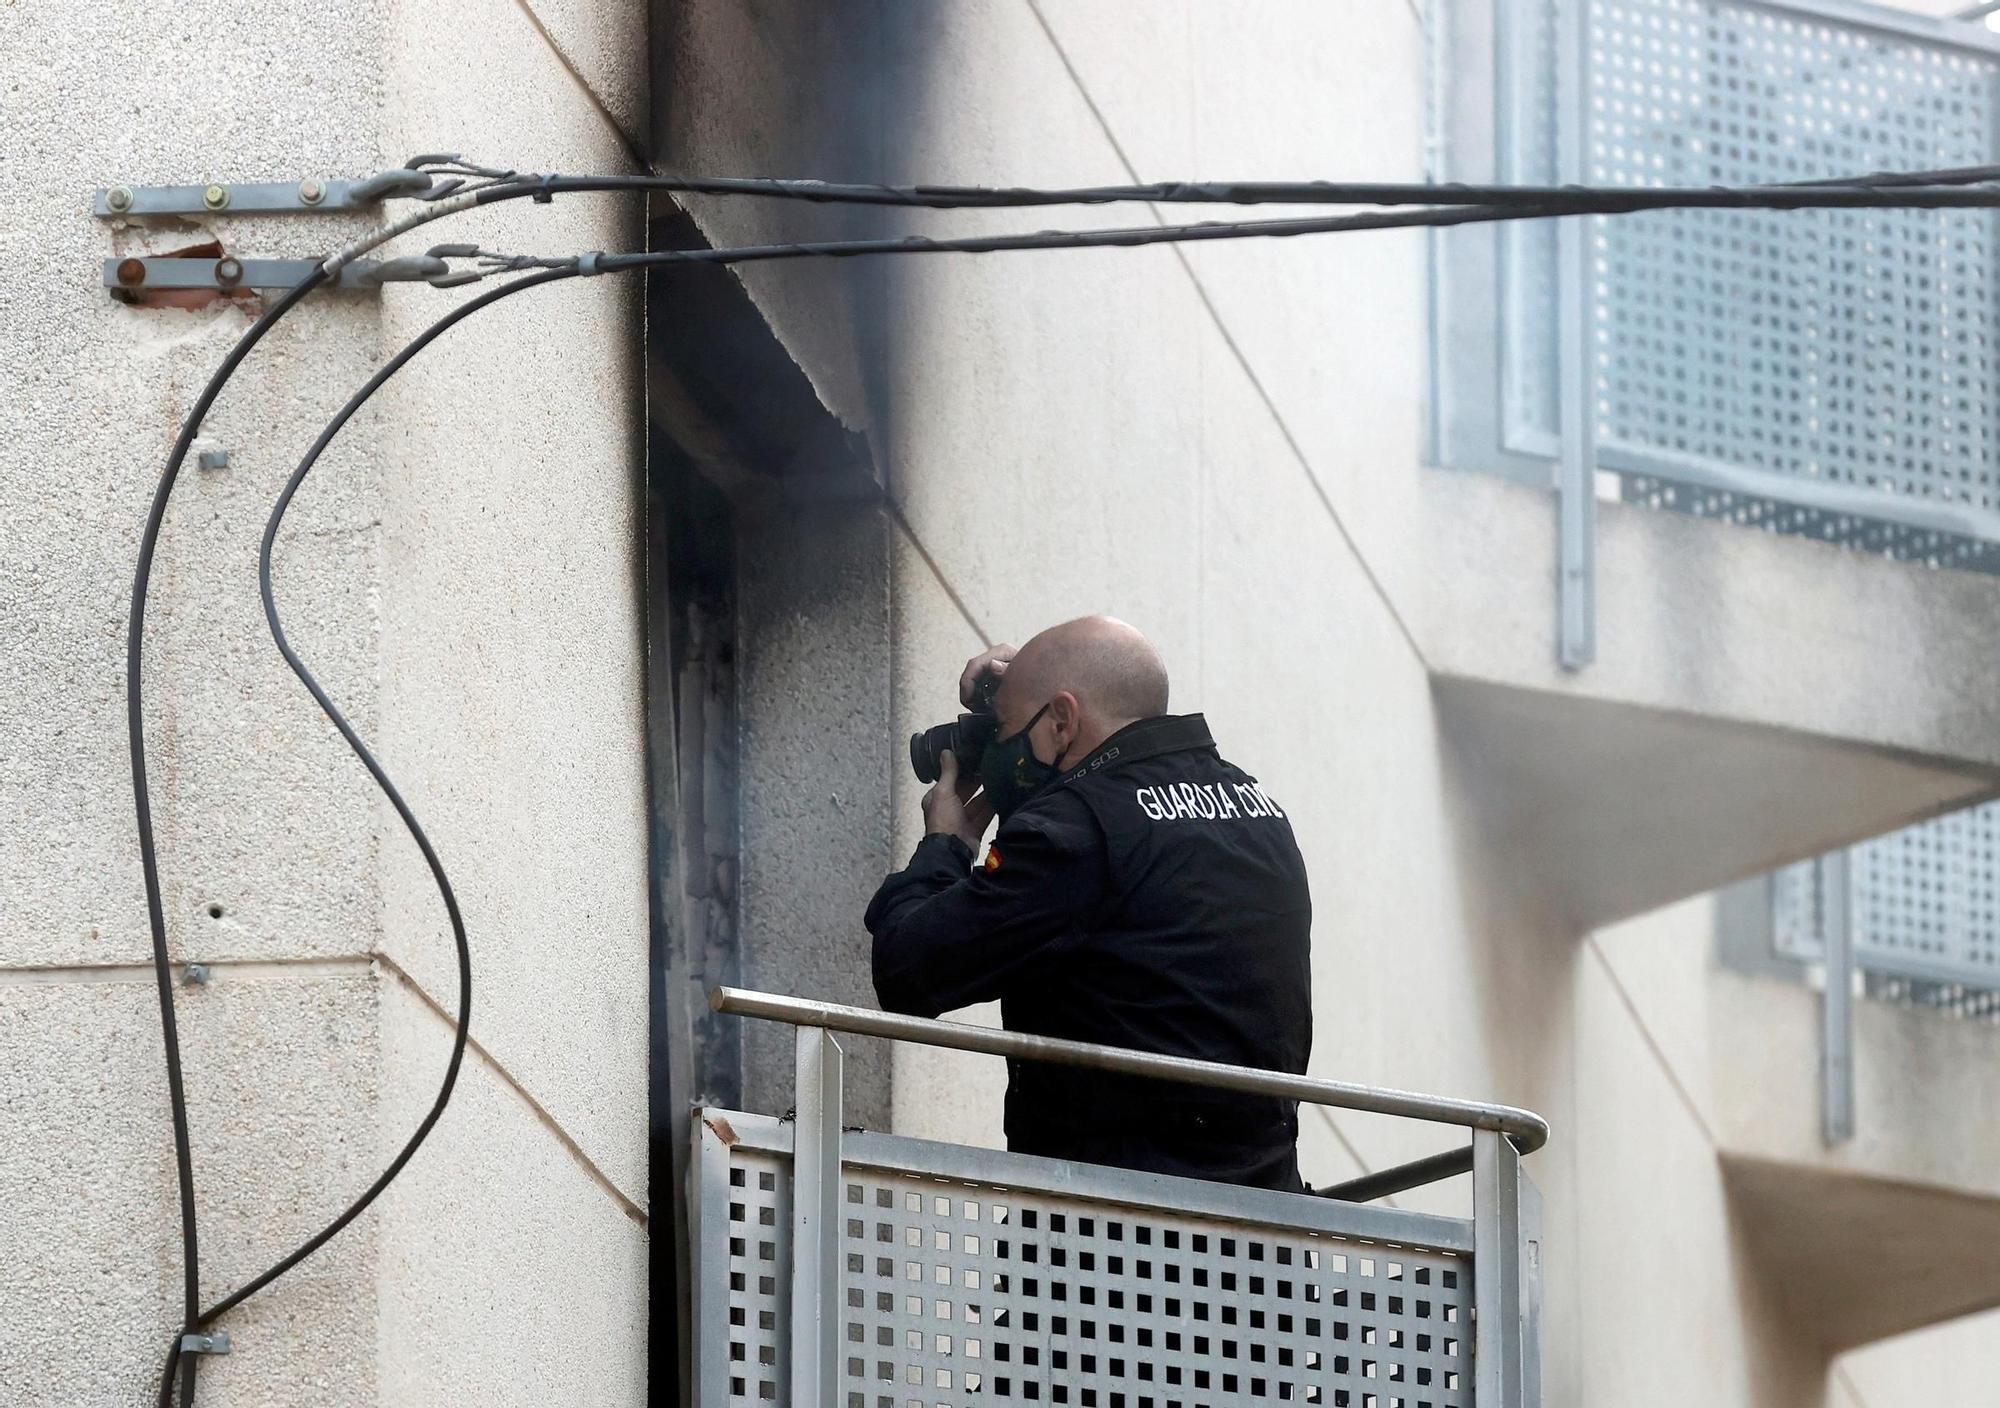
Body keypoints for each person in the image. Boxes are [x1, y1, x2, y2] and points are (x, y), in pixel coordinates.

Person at [865, 615, 1314, 1191]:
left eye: (999, 731)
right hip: (1262, 1237)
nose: (996, 752)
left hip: (1111, 1244)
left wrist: (945, 847)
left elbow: (906, 969)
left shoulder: (1074, 832)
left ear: (1061, 721)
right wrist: (1016, 697)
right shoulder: (1258, 810)